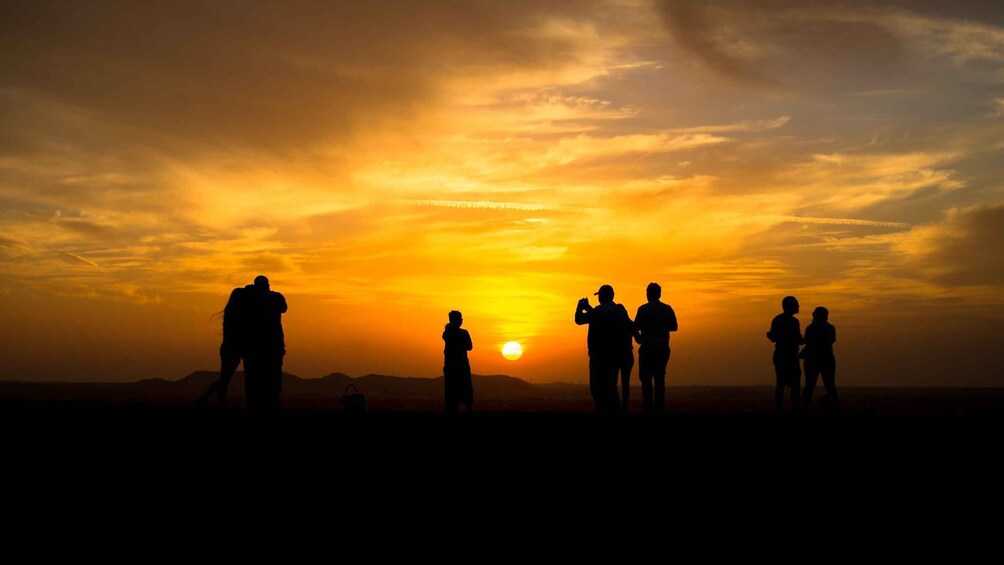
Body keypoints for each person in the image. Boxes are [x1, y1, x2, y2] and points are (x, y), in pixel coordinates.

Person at [575, 284, 632, 413]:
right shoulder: (620, 310)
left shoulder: (598, 311)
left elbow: (579, 319)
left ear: (601, 296)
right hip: (618, 355)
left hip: (600, 356)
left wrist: (579, 307)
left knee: (598, 389)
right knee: (612, 387)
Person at [242, 275, 287, 411]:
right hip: (261, 347)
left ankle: (268, 404)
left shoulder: (273, 298)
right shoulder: (272, 298)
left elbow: (283, 308)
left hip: (268, 346)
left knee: (267, 378)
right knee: (259, 379)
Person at [197, 286, 247, 408]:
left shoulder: (230, 310)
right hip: (233, 348)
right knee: (224, 379)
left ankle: (213, 400)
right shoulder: (237, 311)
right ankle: (209, 399)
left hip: (228, 347)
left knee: (224, 378)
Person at [634, 282, 678, 412]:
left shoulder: (643, 309)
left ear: (648, 294)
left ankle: (648, 406)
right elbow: (674, 327)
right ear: (659, 294)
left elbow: (635, 327)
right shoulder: (667, 309)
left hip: (647, 348)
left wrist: (639, 337)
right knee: (659, 378)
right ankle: (659, 407)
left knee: (646, 379)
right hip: (662, 348)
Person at [767, 295, 803, 412]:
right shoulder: (787, 321)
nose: (798, 307)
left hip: (787, 356)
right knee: (785, 384)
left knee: (786, 384)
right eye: (796, 305)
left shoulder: (782, 320)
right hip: (785, 356)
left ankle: (787, 407)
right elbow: (775, 337)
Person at [801, 306, 838, 410]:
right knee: (815, 385)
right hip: (822, 359)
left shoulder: (812, 328)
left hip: (818, 359)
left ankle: (805, 406)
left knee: (822, 385)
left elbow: (811, 343)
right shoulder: (828, 328)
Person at [442, 310, 474, 413]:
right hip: (460, 366)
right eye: (459, 318)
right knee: (464, 392)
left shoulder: (447, 333)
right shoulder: (462, 333)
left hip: (452, 367)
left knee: (452, 394)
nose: (461, 320)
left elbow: (469, 347)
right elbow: (470, 346)